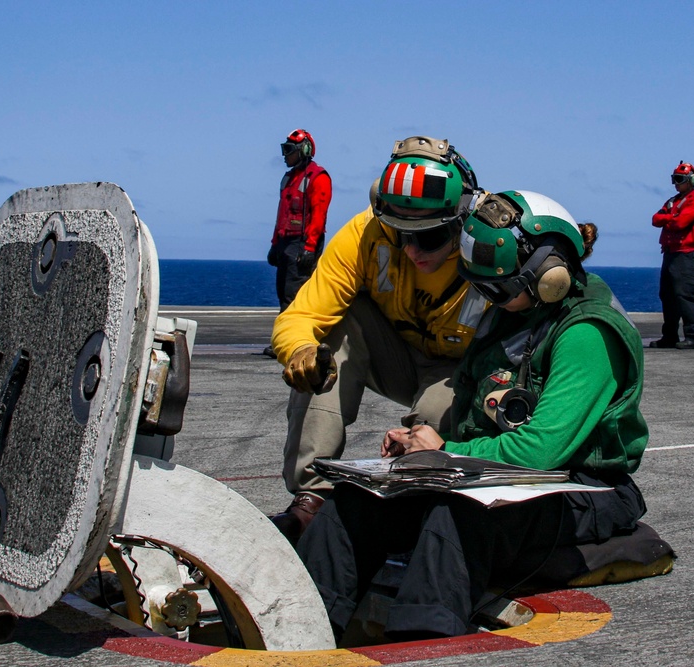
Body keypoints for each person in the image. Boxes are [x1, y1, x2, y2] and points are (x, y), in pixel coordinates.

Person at [298, 191, 650, 642]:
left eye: (497, 288)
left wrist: (446, 452)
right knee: (356, 501)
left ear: (549, 278)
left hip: (583, 485)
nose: (487, 296)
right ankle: (304, 627)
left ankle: (421, 642)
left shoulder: (587, 333)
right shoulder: (510, 314)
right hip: (497, 477)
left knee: (457, 514)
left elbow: (540, 450)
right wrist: (420, 451)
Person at [269, 136, 488, 544]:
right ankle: (311, 500)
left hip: (465, 372)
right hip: (400, 357)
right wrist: (299, 349)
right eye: (399, 233)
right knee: (328, 334)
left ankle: (416, 507)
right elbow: (300, 315)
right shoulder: (366, 232)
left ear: (461, 219)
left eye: (429, 237)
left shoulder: (493, 240)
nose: (411, 250)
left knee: (437, 414)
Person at [265, 129, 332, 357]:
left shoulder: (318, 177)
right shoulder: (289, 178)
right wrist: (275, 245)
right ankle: (283, 341)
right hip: (286, 241)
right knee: (283, 291)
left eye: (289, 151)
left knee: (295, 293)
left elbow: (318, 215)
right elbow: (281, 214)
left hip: (302, 243)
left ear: (303, 151)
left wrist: (310, 248)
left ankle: (293, 344)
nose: (284, 155)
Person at [650, 161, 694, 350]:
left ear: (690, 180)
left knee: (685, 295)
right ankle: (669, 336)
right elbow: (655, 219)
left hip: (685, 255)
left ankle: (693, 337)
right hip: (670, 254)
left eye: (679, 179)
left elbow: (680, 223)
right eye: (674, 179)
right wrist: (671, 218)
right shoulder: (674, 201)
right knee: (667, 295)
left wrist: (669, 218)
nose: (676, 183)